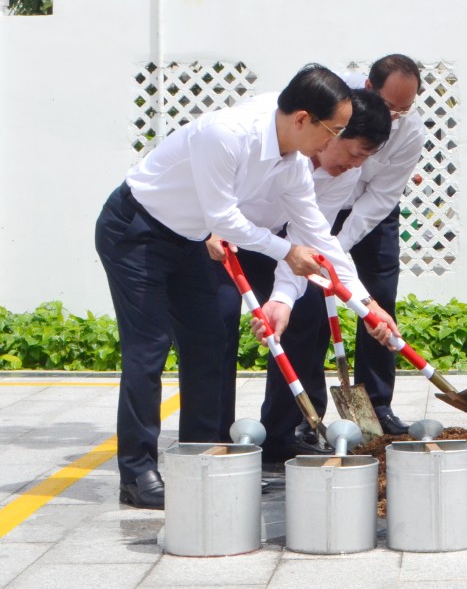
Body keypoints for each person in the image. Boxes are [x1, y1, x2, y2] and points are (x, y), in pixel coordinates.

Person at [95, 64, 395, 509]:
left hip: (189, 239)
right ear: (303, 119)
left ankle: (204, 459)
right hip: (136, 232)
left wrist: (366, 305)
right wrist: (286, 252)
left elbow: (318, 236)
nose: (332, 143)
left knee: (210, 344)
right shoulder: (226, 134)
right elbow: (224, 218)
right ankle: (137, 474)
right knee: (148, 350)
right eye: (333, 132)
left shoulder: (293, 163)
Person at [213, 87, 397, 461]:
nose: (356, 166)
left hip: (278, 243)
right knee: (217, 322)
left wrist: (365, 304)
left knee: (307, 309)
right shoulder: (270, 146)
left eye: (365, 159)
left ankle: (279, 436)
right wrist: (212, 226)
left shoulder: (341, 175)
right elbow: (218, 196)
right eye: (355, 153)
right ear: (334, 132)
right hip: (219, 240)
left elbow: (312, 240)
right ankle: (214, 441)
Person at [256, 55, 427, 456]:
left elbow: (375, 200)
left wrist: (359, 296)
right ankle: (299, 420)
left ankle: (377, 408)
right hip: (283, 220)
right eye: (390, 106)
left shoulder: (377, 153)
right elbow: (302, 232)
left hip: (360, 215)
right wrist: (300, 278)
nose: (396, 117)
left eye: (404, 110)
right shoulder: (320, 119)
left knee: (376, 300)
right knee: (306, 312)